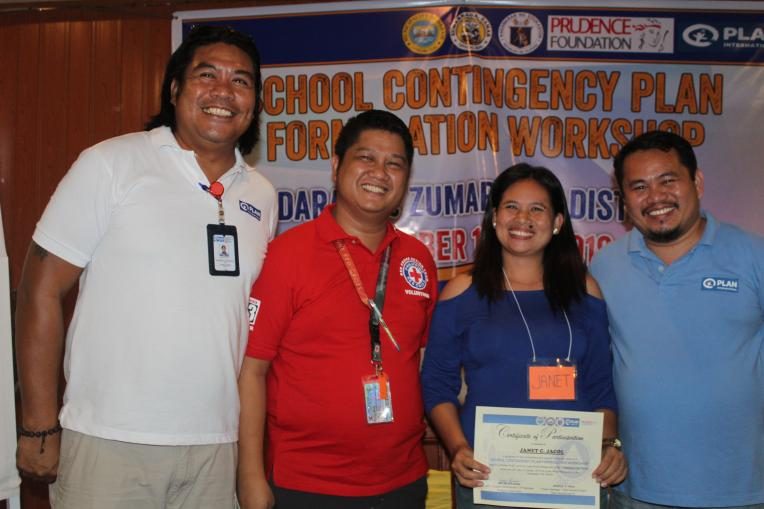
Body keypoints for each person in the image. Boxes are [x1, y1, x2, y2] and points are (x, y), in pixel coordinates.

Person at [14, 25, 277, 508]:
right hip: (110, 442)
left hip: (216, 449)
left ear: (255, 102)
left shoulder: (262, 194)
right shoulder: (111, 164)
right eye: (207, 75)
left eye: (242, 81)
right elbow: (40, 290)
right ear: (175, 88)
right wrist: (37, 424)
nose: (224, 91)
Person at [237, 109, 437, 509]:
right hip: (308, 486)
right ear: (335, 166)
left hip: (403, 482)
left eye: (394, 163)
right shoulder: (287, 255)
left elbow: (419, 360)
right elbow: (252, 372)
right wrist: (250, 477)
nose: (379, 172)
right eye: (366, 158)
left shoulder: (418, 260)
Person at [421, 163, 627, 509]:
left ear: (558, 222)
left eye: (537, 209)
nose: (523, 218)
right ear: (494, 217)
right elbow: (436, 383)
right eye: (512, 207)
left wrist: (609, 445)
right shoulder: (461, 293)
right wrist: (457, 448)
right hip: (488, 475)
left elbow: (600, 385)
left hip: (574, 476)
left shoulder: (585, 291)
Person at [590, 131, 764, 509]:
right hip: (638, 490)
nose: (655, 197)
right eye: (638, 187)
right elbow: (591, 366)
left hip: (746, 490)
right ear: (623, 200)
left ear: (697, 182)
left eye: (667, 180)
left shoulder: (754, 256)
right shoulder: (604, 267)